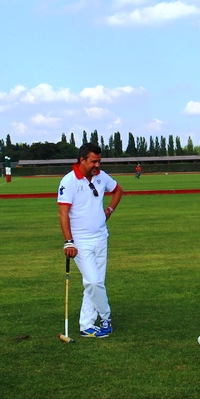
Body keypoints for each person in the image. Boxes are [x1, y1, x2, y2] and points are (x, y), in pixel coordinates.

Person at [57, 143, 123, 338]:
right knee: (94, 282)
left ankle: (86, 325)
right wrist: (68, 241)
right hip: (81, 241)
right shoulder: (69, 181)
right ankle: (106, 318)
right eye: (93, 161)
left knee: (94, 283)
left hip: (102, 237)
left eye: (99, 161)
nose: (97, 165)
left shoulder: (102, 176)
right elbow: (63, 213)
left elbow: (118, 190)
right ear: (82, 160)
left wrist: (109, 211)